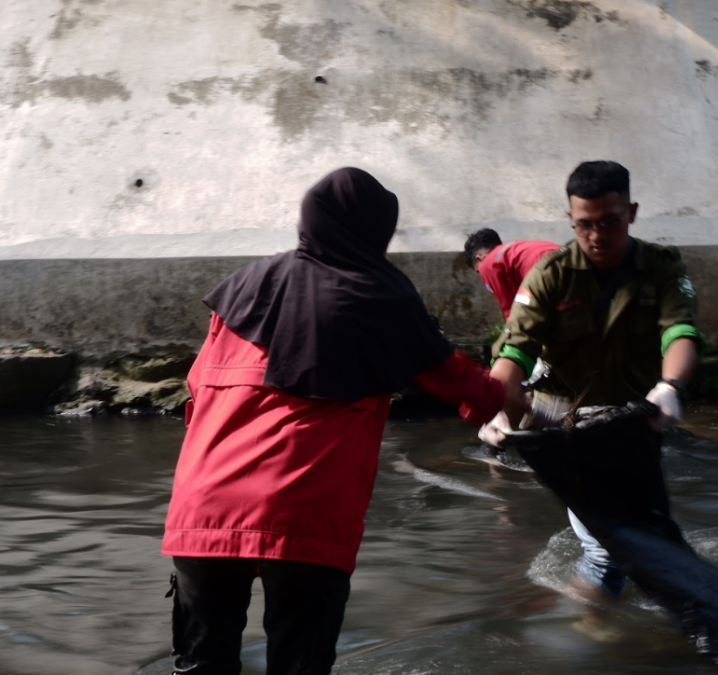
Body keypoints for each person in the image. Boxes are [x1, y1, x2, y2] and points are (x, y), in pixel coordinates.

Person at [162, 167, 509, 675]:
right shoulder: (381, 294)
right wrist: (518, 395)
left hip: (203, 507)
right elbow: (467, 388)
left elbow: (196, 391)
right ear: (375, 230)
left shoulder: (245, 285)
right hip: (304, 514)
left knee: (200, 666)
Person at [483, 160, 705, 600]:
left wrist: (671, 388)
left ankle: (607, 627)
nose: (597, 236)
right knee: (605, 549)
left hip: (635, 422)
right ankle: (585, 634)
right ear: (570, 219)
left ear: (632, 212)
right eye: (584, 225)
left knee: (644, 533)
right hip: (567, 426)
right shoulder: (550, 276)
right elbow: (514, 352)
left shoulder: (661, 267)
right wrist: (499, 406)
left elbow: (679, 332)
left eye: (610, 222)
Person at [463, 228, 560, 320]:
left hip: (549, 274)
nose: (482, 274)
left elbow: (510, 310)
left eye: (478, 271)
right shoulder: (517, 248)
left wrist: (510, 333)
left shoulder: (487, 263)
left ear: (480, 258)